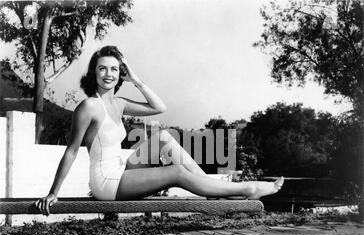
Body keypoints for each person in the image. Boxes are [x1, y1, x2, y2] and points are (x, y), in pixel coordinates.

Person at [35, 45, 284, 215]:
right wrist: (52, 193)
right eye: (102, 68)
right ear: (94, 73)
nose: (108, 74)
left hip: (121, 170)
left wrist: (137, 81)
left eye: (114, 69)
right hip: (106, 182)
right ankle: (248, 188)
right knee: (175, 172)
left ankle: (210, 189)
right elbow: (71, 151)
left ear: (120, 73)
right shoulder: (89, 106)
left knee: (164, 137)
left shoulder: (118, 104)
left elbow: (159, 107)